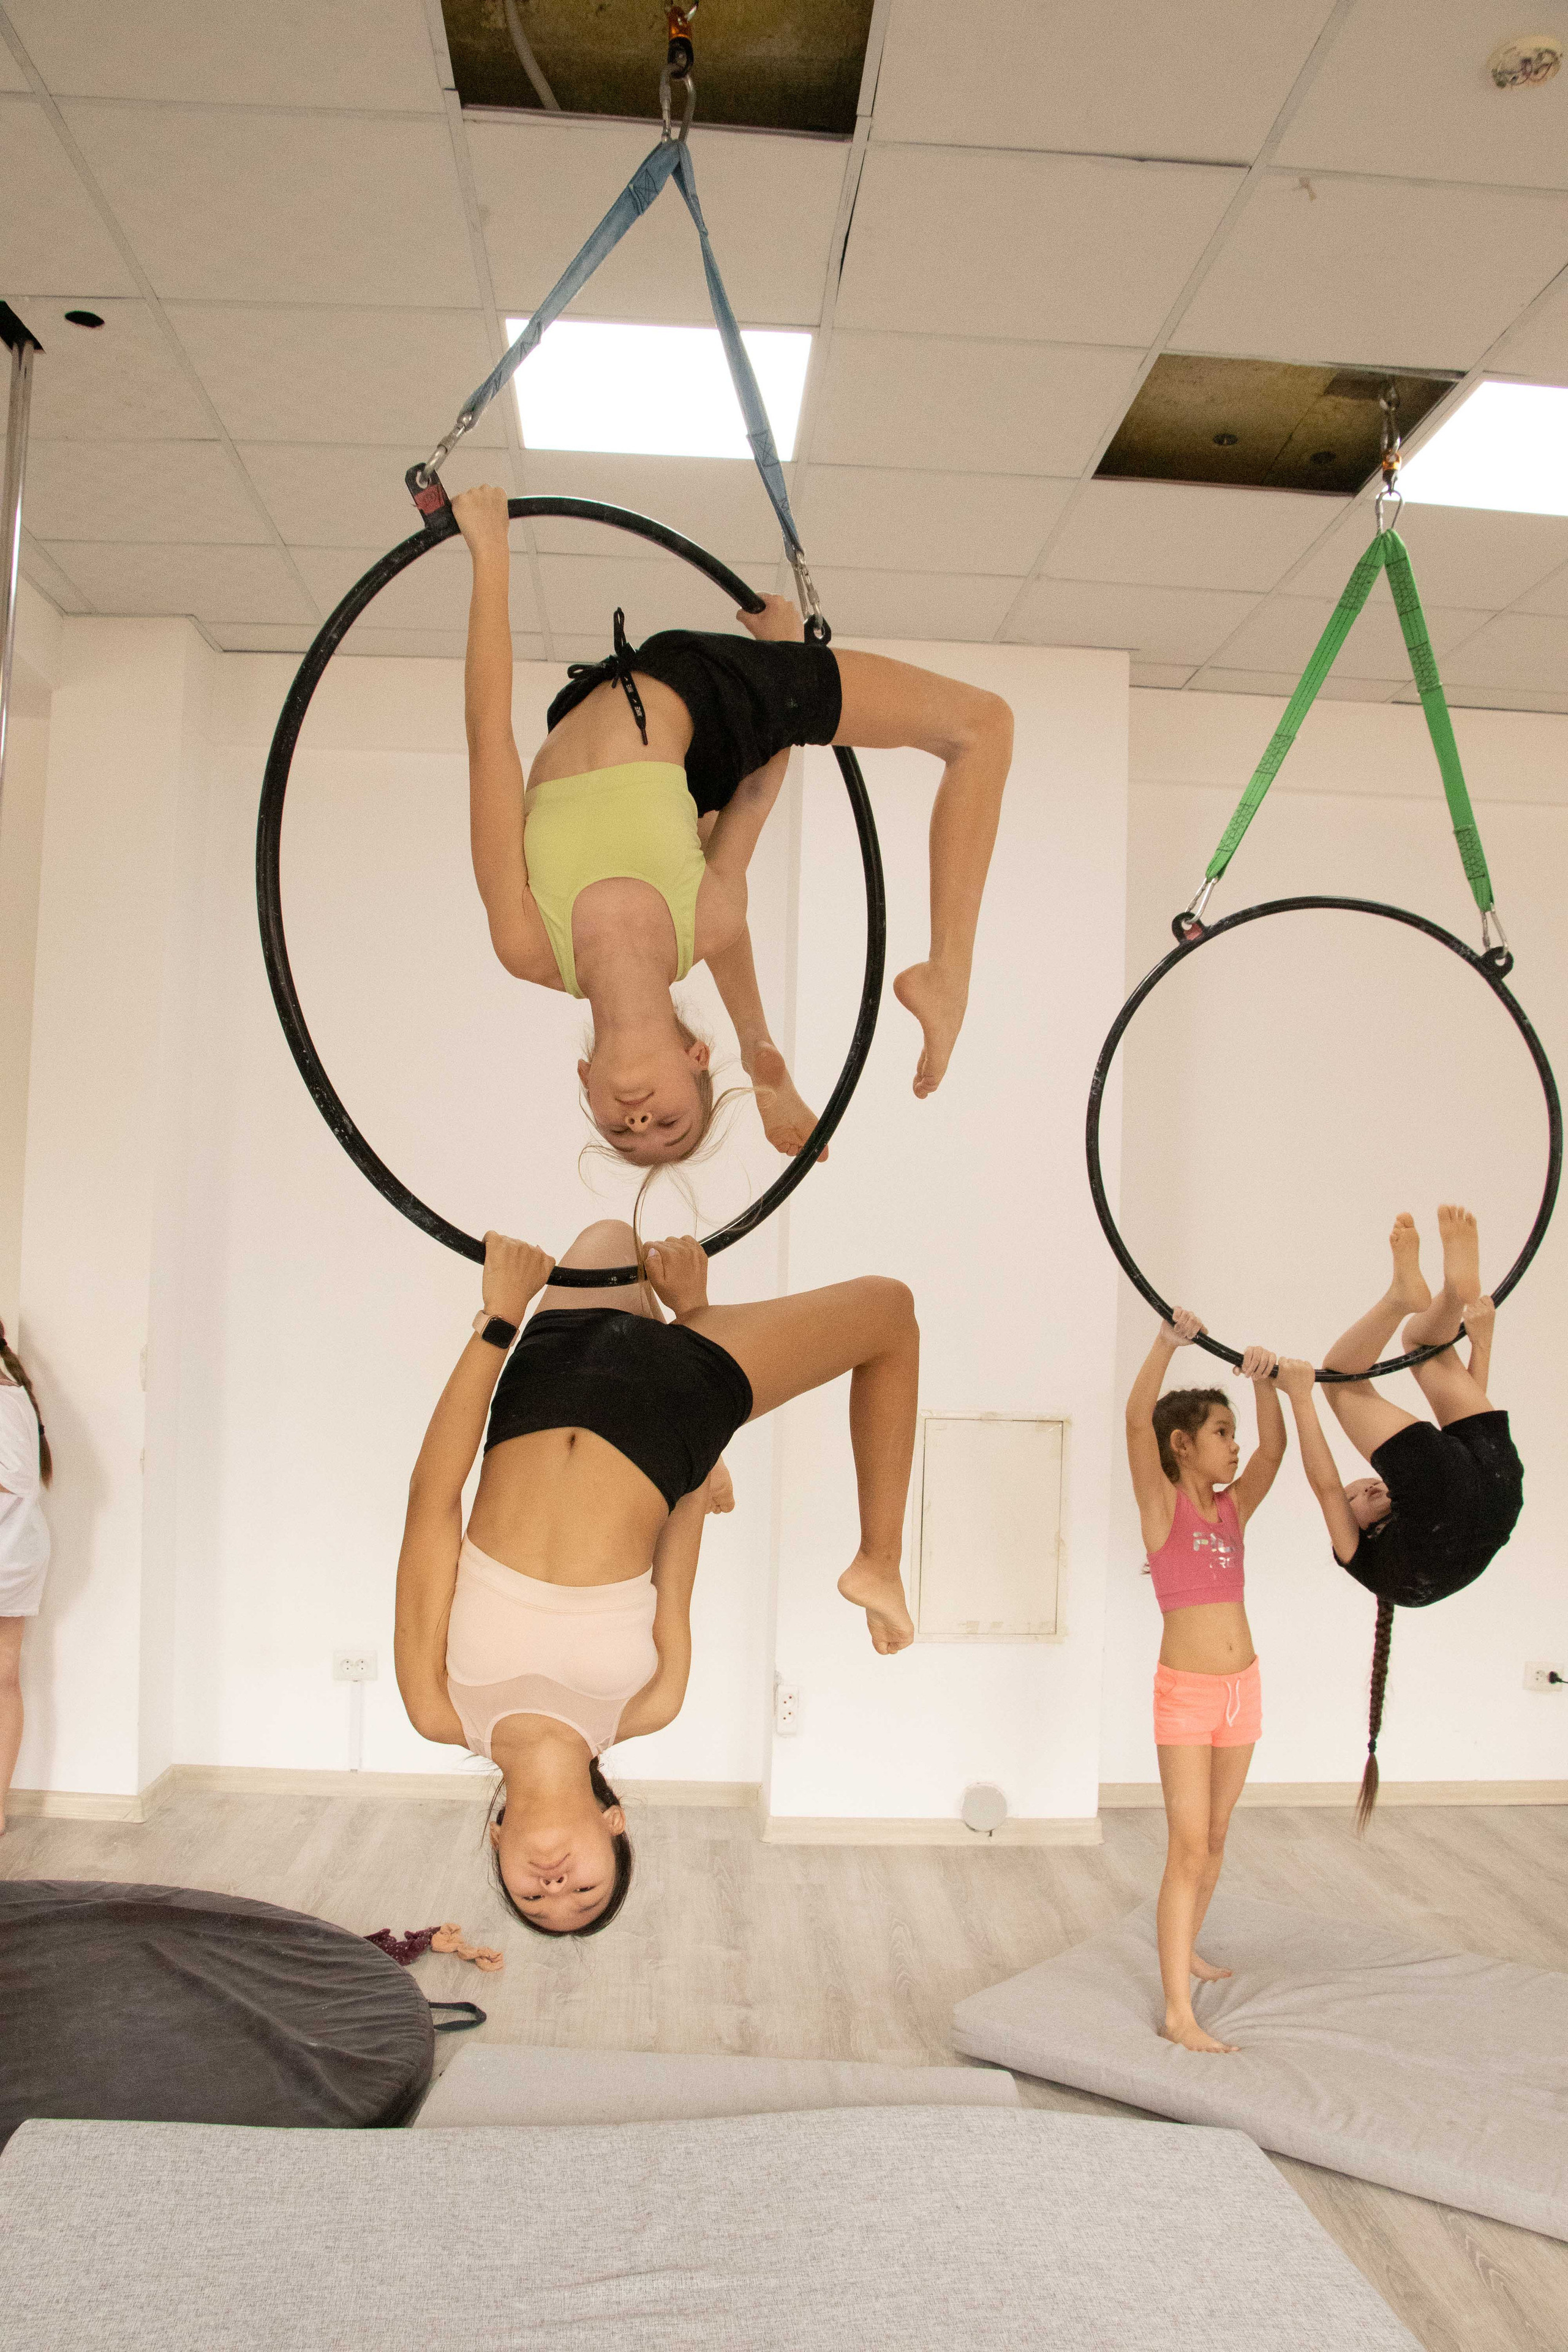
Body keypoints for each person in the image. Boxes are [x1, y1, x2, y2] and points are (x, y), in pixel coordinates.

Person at [451, 484, 1014, 1170]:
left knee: (702, 825)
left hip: (602, 702)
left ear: (585, 1084)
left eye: (622, 1133)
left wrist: (491, 555)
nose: (639, 1120)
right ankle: (946, 975)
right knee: (983, 726)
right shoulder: (706, 919)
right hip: (718, 699)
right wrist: (781, 661)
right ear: (695, 1059)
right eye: (669, 1123)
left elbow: (489, 741)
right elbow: (754, 791)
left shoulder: (527, 944)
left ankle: (761, 1053)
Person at [394, 1221, 919, 1937]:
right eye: (584, 1891)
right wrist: (696, 1464)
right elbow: (677, 1555)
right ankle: (877, 1563)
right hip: (670, 1414)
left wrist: (498, 1323)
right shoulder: (647, 1705)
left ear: (498, 1843)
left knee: (611, 1236)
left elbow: (433, 1498)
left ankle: (688, 1320)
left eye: (532, 1900)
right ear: (615, 1825)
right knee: (887, 1310)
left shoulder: (439, 1709)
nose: (554, 1888)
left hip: (543, 1384)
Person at [1274, 1206, 1521, 1829]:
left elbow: (1463, 1458)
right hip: (1466, 1492)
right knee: (1340, 1382)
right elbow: (1327, 1486)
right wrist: (1303, 1398)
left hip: (1498, 1490)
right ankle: (1398, 1298)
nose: (1368, 1485)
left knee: (1422, 1348)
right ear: (1362, 1527)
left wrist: (1480, 1338)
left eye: (1369, 1486)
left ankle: (1445, 1297)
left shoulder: (1403, 1569)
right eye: (1369, 1492)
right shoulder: (1363, 1555)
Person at [1125, 1308, 1287, 2052]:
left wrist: (1263, 1384)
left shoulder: (1232, 1510)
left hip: (1241, 1690)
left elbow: (1276, 1450)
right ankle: (1175, 2012)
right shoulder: (1164, 1512)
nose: (1236, 1446)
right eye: (1223, 1433)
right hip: (1187, 1696)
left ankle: (1186, 1943)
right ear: (1183, 1446)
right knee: (1186, 1846)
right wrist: (1166, 1344)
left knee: (1216, 1839)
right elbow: (1134, 1425)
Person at [0, 1322, 53, 1834]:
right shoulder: (11, 1392)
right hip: (16, 1551)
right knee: (4, 1677)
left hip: (7, 1552)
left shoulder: (2, 1394)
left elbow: (14, 1476)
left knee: (3, 1678)